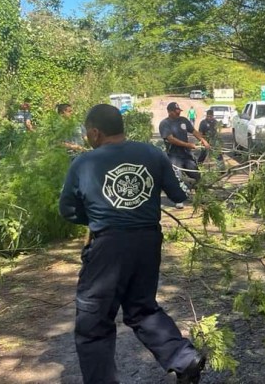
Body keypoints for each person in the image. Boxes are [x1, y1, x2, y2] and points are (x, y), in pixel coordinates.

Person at [58, 104, 206, 384]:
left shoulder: (84, 163)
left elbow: (67, 210)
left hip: (108, 246)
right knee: (141, 307)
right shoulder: (152, 153)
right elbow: (176, 194)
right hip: (148, 241)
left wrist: (97, 216)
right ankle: (184, 358)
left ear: (94, 132)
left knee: (94, 321)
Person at [159, 102, 210, 207]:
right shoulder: (164, 124)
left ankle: (201, 196)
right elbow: (171, 139)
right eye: (176, 111)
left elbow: (194, 131)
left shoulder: (183, 120)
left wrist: (203, 140)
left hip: (186, 154)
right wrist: (187, 144)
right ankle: (178, 200)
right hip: (173, 155)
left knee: (196, 174)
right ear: (170, 112)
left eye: (179, 111)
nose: (178, 113)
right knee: (177, 177)